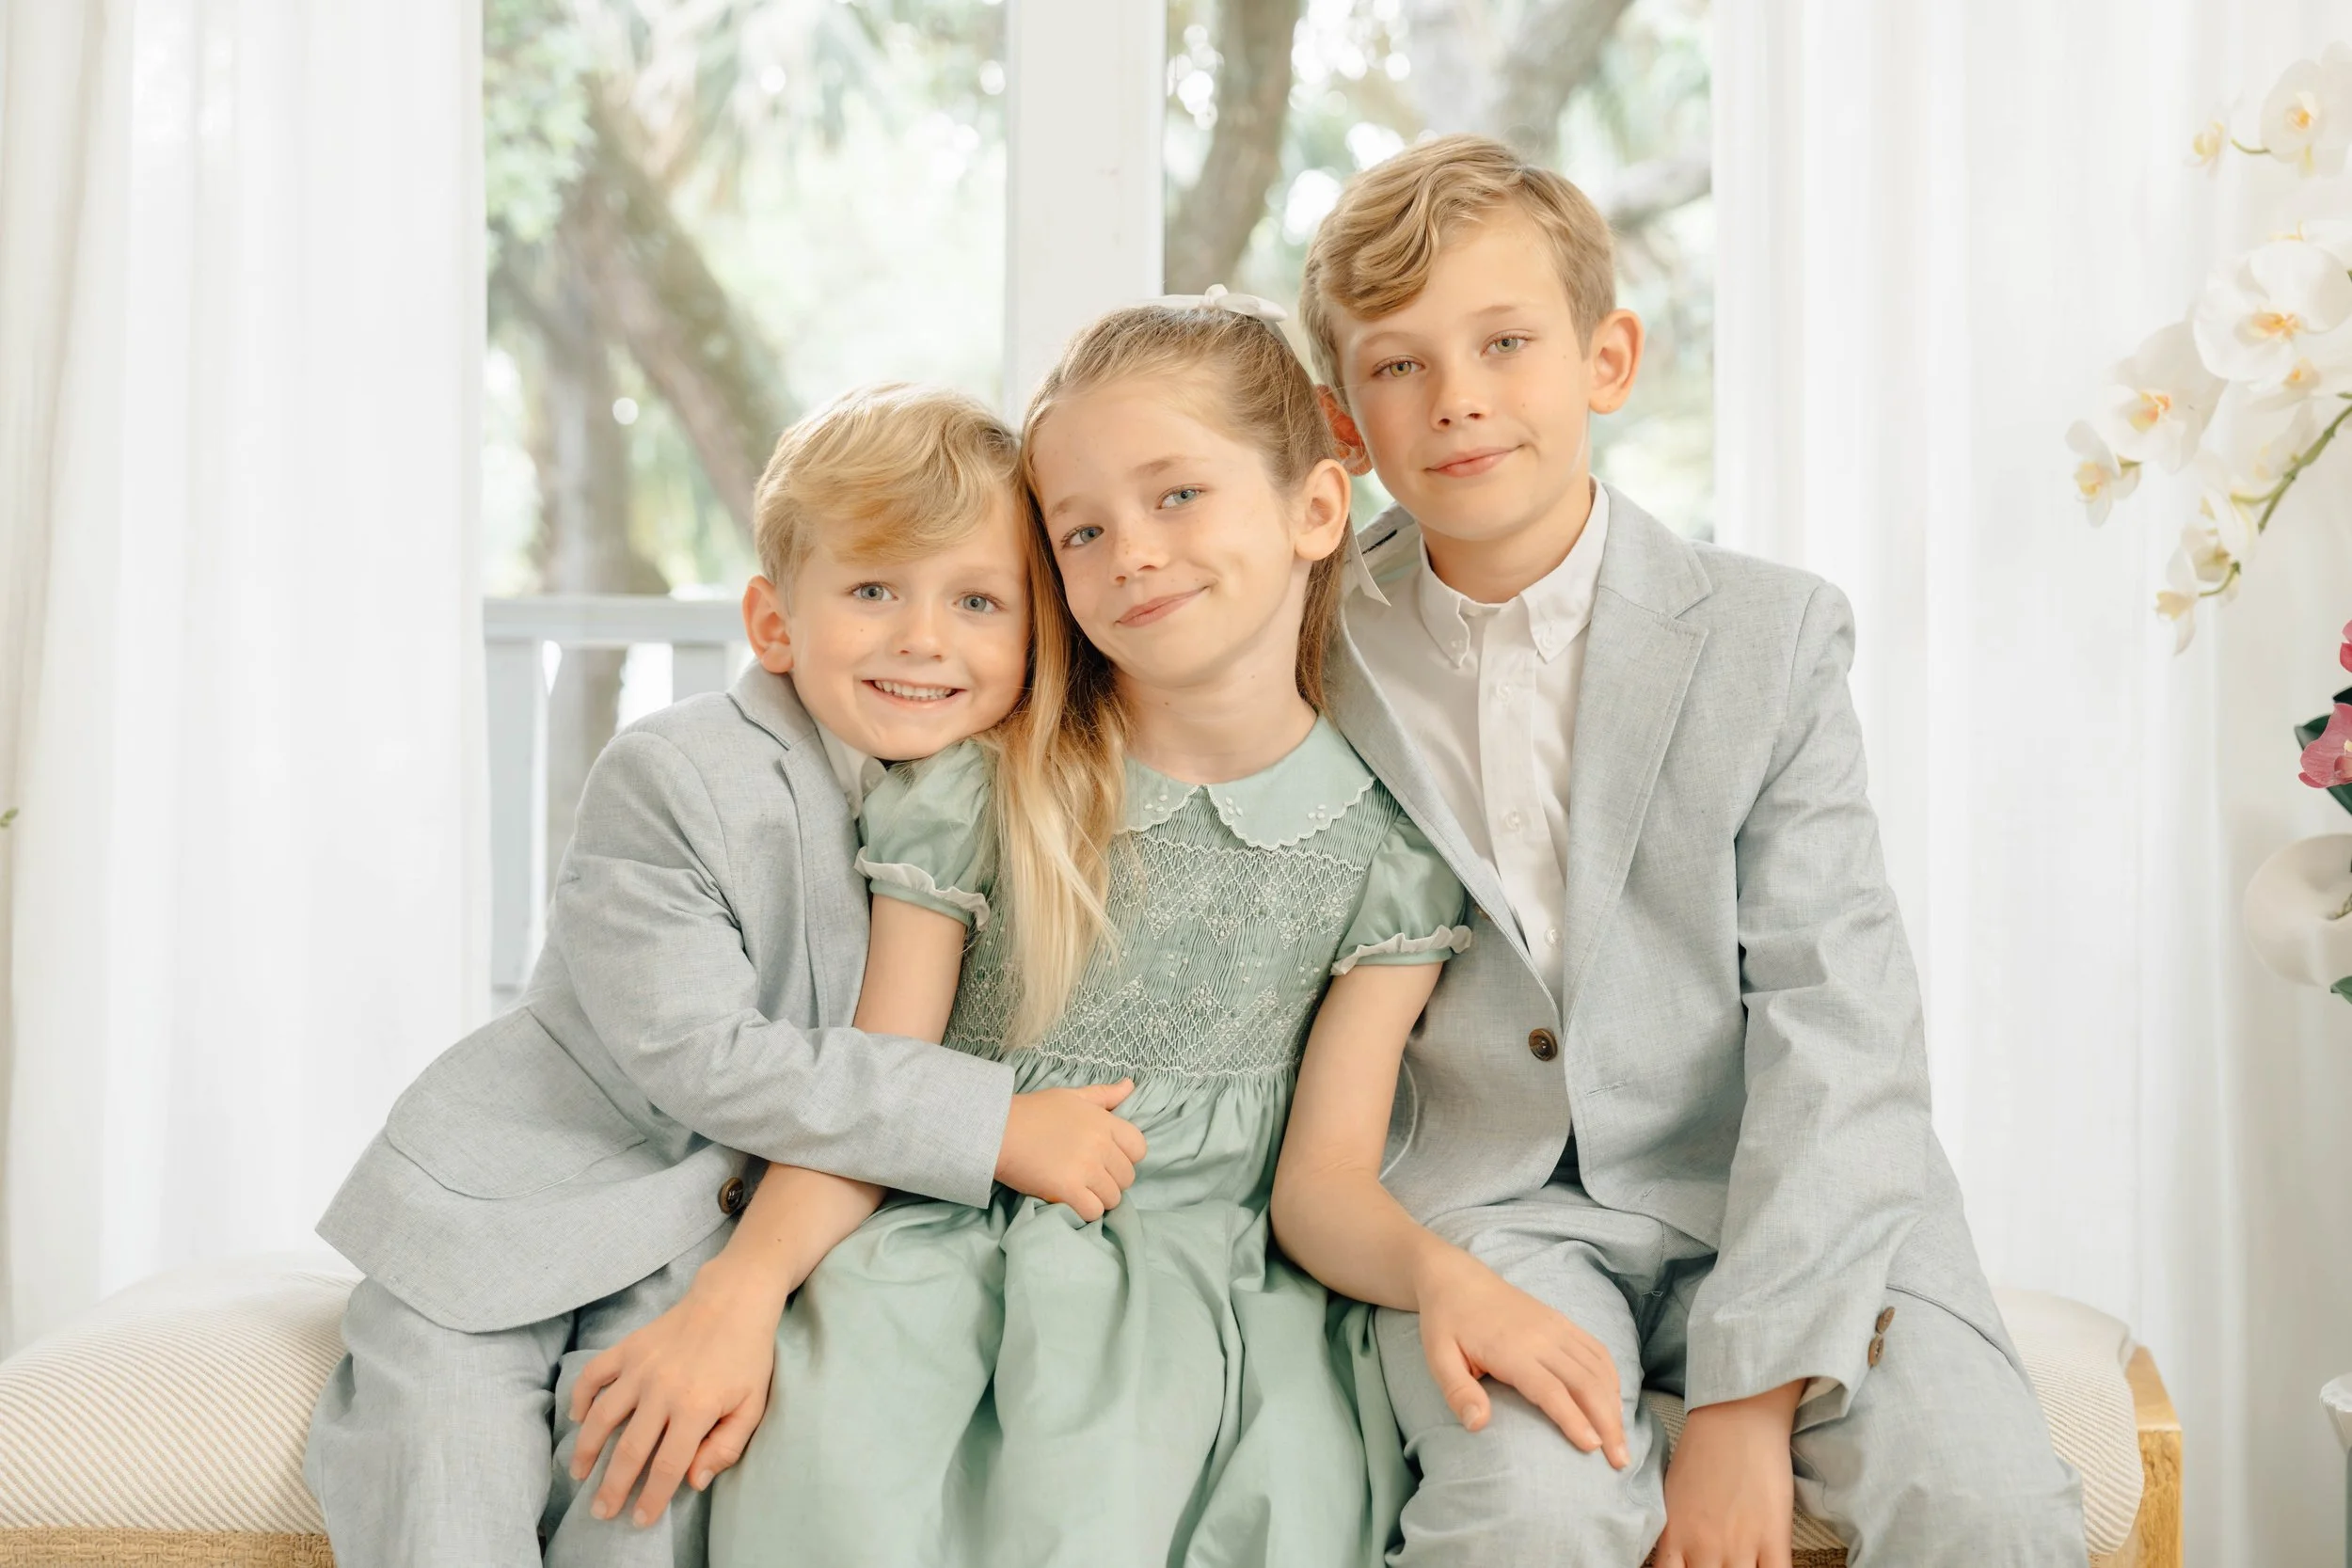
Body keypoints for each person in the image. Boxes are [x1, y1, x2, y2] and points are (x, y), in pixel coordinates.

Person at [1270, 134, 2090, 1567]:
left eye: (1505, 341)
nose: (1456, 398)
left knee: (1983, 1501)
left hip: (1790, 1190)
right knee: (1524, 1516)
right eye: (1397, 366)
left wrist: (1747, 1401)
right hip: (1488, 1215)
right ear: (1345, 422)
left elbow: (1845, 1026)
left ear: (1607, 356)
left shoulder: (1771, 637)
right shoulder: (1306, 644)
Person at [305, 384, 1147, 1567]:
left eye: (975, 600)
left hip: (728, 1238)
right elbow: (701, 1055)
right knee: (435, 1457)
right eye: (872, 590)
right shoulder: (675, 771)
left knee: (658, 1470)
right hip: (532, 1199)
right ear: (774, 620)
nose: (922, 636)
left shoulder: (1013, 802)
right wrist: (988, 1125)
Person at [691, 294, 1471, 1568]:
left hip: (1217, 1302)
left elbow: (1324, 1185)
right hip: (949, 1270)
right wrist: (738, 1292)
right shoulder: (982, 792)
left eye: (1177, 496)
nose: (1132, 555)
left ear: (1316, 510)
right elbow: (877, 1091)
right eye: (1084, 529)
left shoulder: (1388, 855)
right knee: (840, 1473)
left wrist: (1445, 1275)